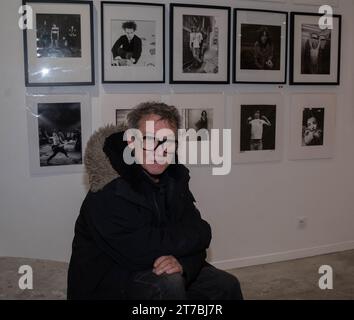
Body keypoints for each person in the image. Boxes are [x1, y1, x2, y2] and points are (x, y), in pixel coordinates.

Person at [67, 102, 243, 300]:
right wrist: (185, 247)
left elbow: (201, 233)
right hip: (106, 285)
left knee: (225, 285)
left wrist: (183, 264)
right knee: (169, 283)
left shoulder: (174, 179)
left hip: (147, 268)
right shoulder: (108, 190)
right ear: (132, 141)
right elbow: (139, 252)